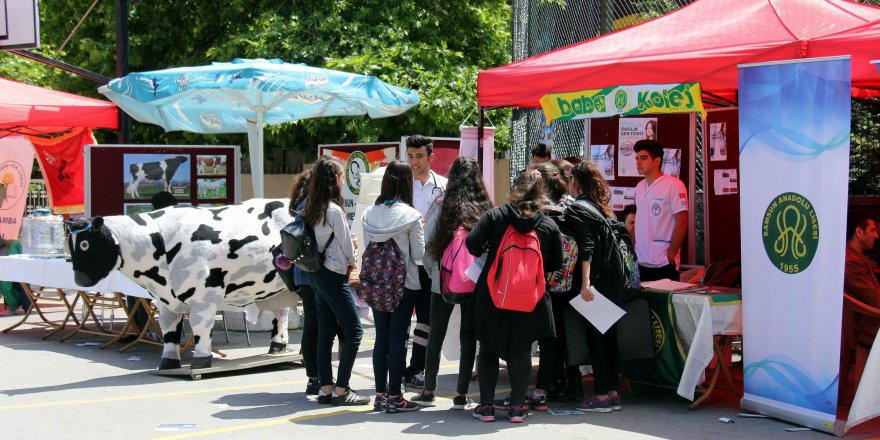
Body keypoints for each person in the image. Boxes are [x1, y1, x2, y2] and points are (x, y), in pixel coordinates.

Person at [466, 171, 563, 423]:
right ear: (541, 192)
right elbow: (555, 263)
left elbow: (472, 245)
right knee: (521, 350)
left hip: (493, 293)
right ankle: (517, 408)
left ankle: (486, 406)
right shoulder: (548, 224)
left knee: (487, 347)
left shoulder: (495, 216)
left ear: (514, 188)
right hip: (530, 298)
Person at [410, 157, 491, 410]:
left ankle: (429, 390)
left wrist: (436, 273)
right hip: (473, 281)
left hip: (442, 281)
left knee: (436, 334)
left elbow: (428, 246)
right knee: (468, 337)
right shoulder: (484, 208)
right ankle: (461, 393)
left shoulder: (441, 204)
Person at [303, 156, 369, 406]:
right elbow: (347, 248)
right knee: (354, 330)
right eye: (341, 176)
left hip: (316, 272)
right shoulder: (333, 210)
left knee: (326, 331)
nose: (343, 180)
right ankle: (342, 390)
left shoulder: (312, 207)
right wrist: (353, 256)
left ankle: (326, 388)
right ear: (334, 180)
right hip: (334, 273)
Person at [361, 161, 425, 413]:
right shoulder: (411, 215)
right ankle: (396, 397)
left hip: (376, 283)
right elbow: (419, 254)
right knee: (398, 338)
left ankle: (380, 395)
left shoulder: (369, 213)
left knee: (381, 338)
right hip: (404, 283)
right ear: (407, 182)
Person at [566, 161, 625, 413]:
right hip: (614, 281)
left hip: (596, 282)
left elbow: (586, 246)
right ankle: (613, 392)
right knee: (610, 339)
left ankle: (601, 396)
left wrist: (585, 282)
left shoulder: (578, 209)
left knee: (597, 341)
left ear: (576, 182)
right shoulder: (605, 209)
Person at [289, 168, 344, 396]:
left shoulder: (301, 204)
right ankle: (323, 377)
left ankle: (314, 377)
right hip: (321, 271)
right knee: (326, 325)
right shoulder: (321, 206)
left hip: (303, 271)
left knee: (313, 323)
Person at [403, 134, 447, 388]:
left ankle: (417, 369)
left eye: (419, 156)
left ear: (431, 157)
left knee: (426, 320)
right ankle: (397, 369)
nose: (414, 162)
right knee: (400, 321)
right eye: (410, 156)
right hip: (405, 263)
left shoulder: (443, 185)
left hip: (431, 265)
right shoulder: (401, 184)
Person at [120, 191, 177, 340]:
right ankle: (140, 331)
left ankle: (141, 331)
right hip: (162, 271)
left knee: (137, 288)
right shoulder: (158, 222)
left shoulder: (172, 223)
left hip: (173, 276)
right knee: (133, 288)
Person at [633, 139, 688, 282]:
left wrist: (671, 253)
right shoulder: (639, 187)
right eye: (637, 158)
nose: (638, 162)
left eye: (643, 158)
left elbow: (682, 221)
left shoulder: (674, 185)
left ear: (657, 161)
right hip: (641, 261)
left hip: (663, 261)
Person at [844, 210, 880, 347]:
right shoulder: (851, 261)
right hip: (867, 329)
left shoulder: (857, 257)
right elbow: (876, 300)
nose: (876, 236)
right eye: (873, 230)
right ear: (859, 232)